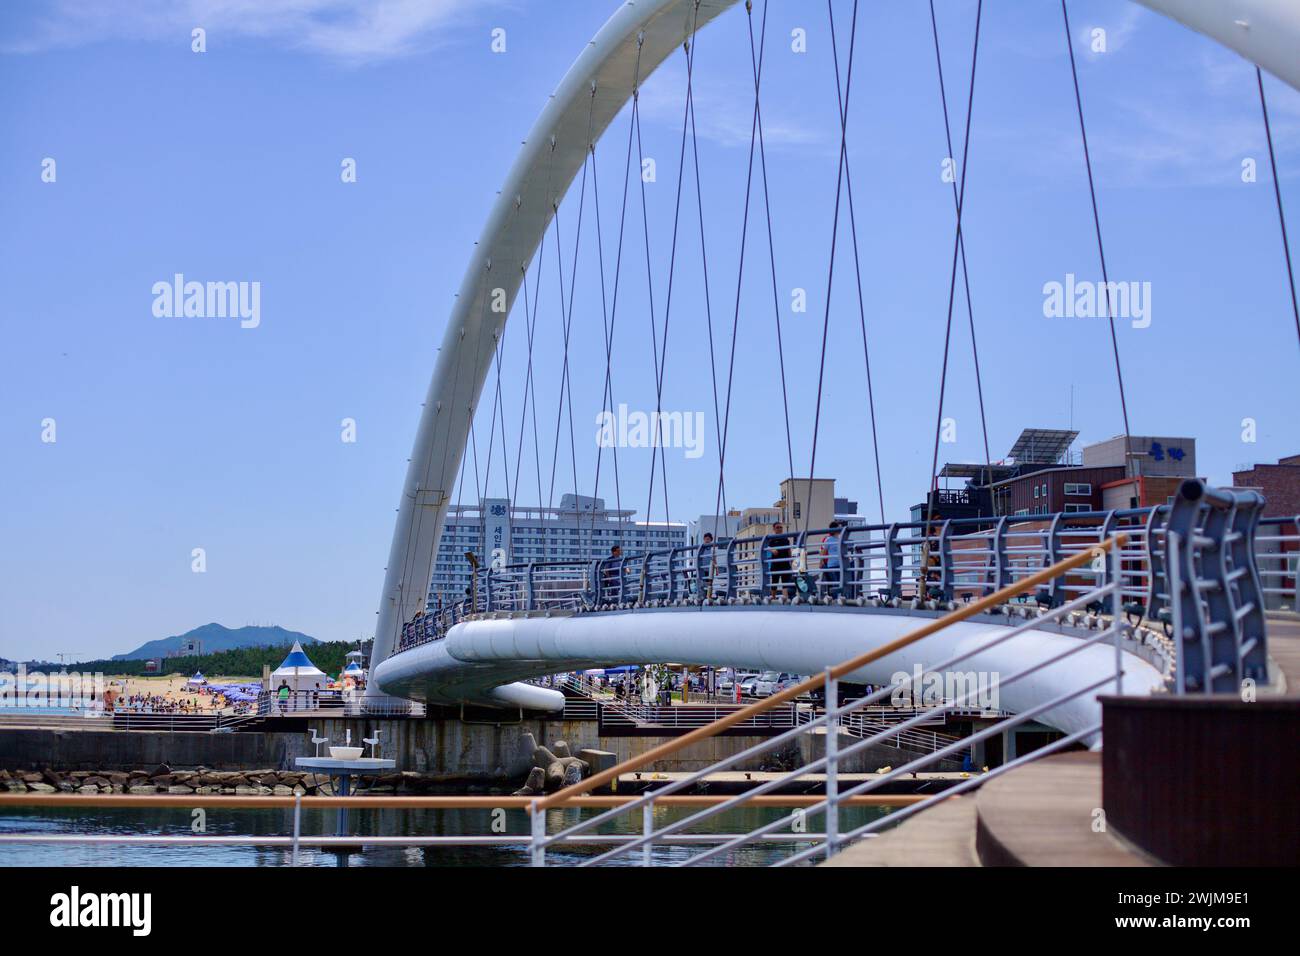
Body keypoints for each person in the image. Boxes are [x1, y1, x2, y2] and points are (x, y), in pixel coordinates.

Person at [767, 522, 792, 597]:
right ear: (774, 529)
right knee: (774, 582)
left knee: (785, 583)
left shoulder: (786, 539)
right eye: (777, 527)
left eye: (781, 527)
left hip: (785, 563)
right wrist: (772, 550)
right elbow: (766, 546)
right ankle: (773, 598)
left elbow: (789, 549)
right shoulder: (771, 538)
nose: (780, 529)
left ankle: (786, 599)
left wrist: (791, 559)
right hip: (775, 564)